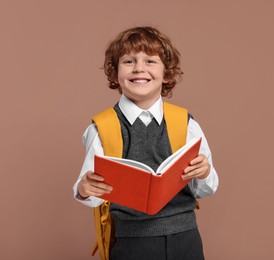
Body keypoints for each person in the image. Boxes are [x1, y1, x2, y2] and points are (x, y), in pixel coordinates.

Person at [73, 26, 219, 260]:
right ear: (115, 73)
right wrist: (83, 189)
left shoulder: (186, 123)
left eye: (150, 61)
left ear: (167, 73)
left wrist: (204, 172)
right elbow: (92, 194)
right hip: (131, 243)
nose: (139, 68)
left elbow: (205, 188)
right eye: (129, 61)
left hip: (186, 239)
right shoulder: (101, 128)